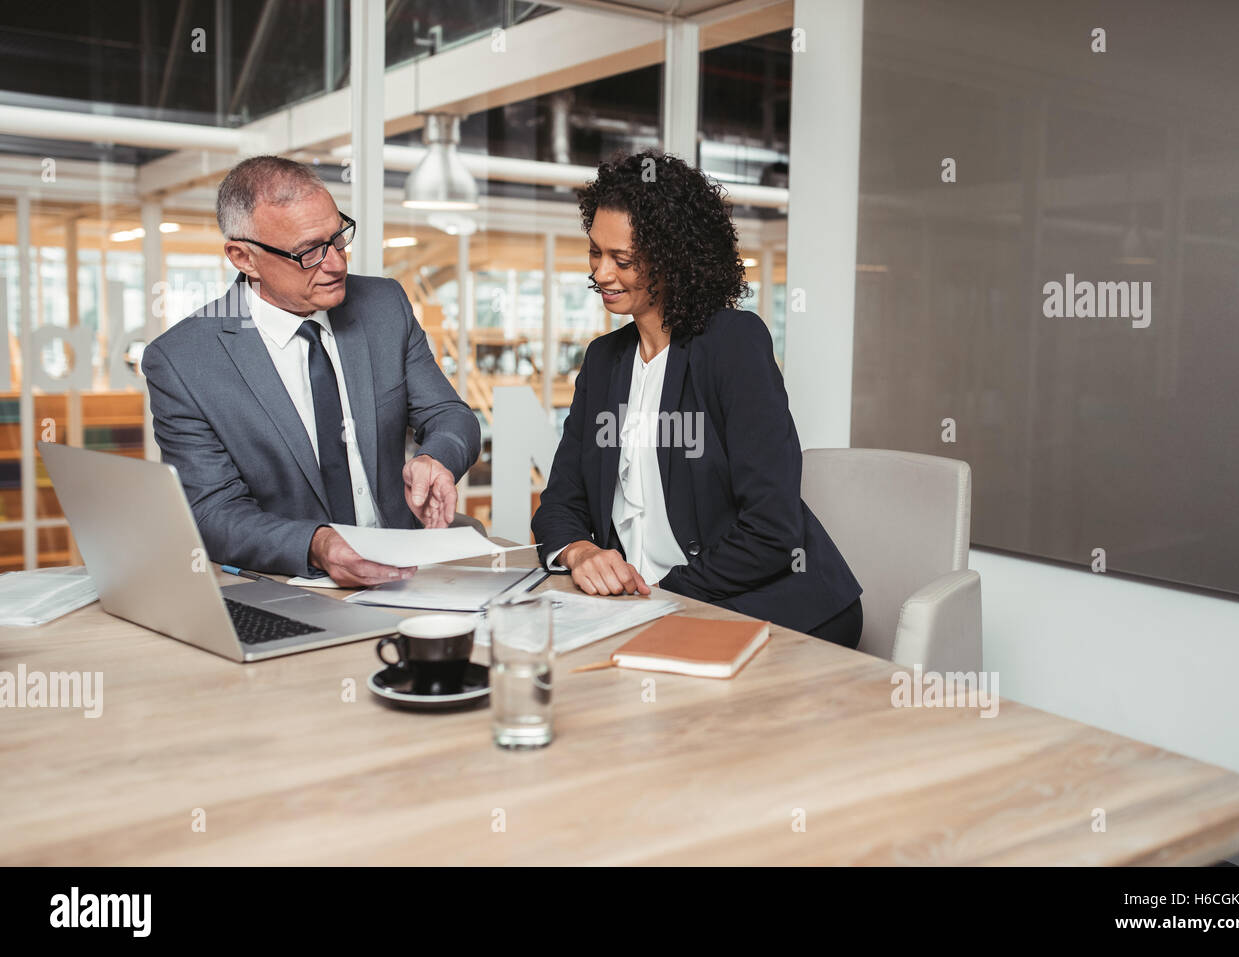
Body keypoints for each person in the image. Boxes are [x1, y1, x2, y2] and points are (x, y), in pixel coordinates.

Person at [531, 151, 863, 647]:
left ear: (672, 258)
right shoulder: (604, 361)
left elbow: (771, 529)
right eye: (595, 253)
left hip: (761, 600)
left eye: (622, 260)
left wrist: (664, 597)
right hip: (651, 605)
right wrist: (580, 552)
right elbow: (561, 499)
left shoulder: (733, 344)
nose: (601, 273)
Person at [142, 155, 480, 587]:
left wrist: (437, 458)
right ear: (243, 257)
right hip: (287, 584)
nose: (337, 264)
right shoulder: (183, 361)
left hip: (409, 570)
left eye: (338, 238)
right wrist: (318, 545)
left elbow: (450, 416)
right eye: (308, 252)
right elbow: (212, 511)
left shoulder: (383, 307)